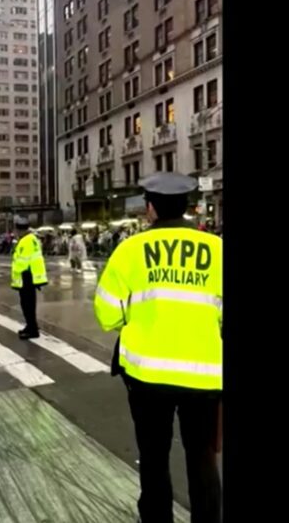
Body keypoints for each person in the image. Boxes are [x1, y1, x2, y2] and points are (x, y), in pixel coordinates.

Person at [93, 173, 222, 523]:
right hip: (205, 376)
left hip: (147, 376)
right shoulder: (217, 249)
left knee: (153, 455)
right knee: (203, 456)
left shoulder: (130, 250)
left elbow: (108, 312)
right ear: (189, 207)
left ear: (150, 209)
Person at [10, 215, 47, 339]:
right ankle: (30, 326)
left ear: (19, 229)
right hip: (31, 277)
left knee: (28, 305)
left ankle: (32, 329)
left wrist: (15, 269)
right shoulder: (31, 239)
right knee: (28, 304)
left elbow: (23, 262)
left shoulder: (26, 241)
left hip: (27, 277)